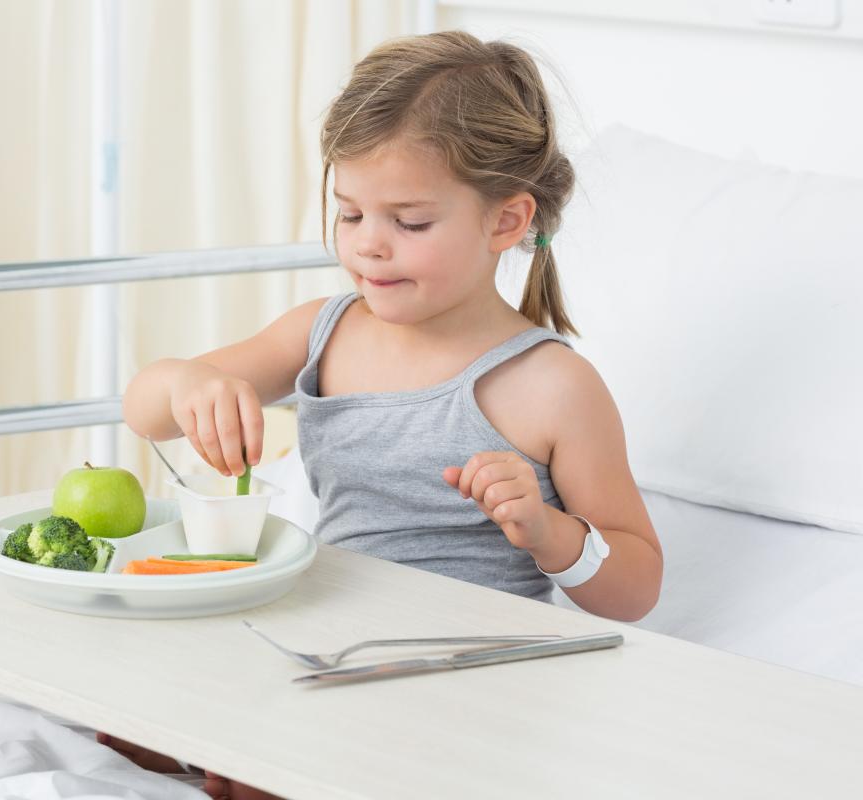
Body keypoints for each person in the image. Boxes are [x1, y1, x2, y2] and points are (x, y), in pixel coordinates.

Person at [107, 29, 663, 798]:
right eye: (350, 214)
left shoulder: (552, 386)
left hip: (463, 667)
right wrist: (188, 385)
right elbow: (146, 411)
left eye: (409, 222)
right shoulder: (324, 331)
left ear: (505, 221)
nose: (369, 247)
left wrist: (552, 533)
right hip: (328, 642)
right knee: (121, 717)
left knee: (267, 770)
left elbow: (635, 586)